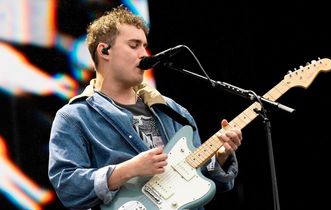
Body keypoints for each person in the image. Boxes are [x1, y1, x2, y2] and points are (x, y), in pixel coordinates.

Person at [48, 5, 242, 210]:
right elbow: (67, 185)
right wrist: (127, 170)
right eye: (134, 45)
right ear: (104, 50)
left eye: (145, 45)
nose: (144, 53)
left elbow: (206, 182)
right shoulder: (74, 117)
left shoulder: (175, 112)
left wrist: (220, 157)